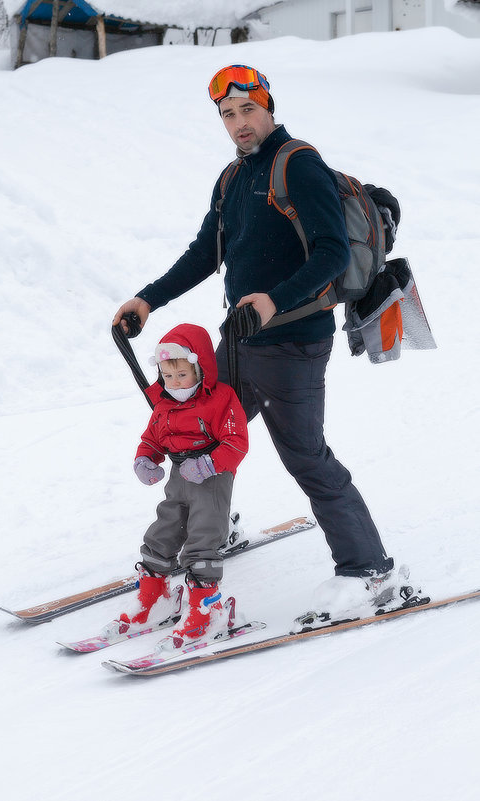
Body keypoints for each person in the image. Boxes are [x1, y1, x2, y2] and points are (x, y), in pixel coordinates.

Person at [114, 64, 399, 611]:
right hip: (240, 342)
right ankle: (208, 530)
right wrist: (148, 299)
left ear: (268, 106)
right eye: (228, 114)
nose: (240, 123)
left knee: (305, 456)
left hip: (295, 343)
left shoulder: (300, 166)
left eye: (248, 110)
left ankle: (368, 568)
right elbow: (205, 253)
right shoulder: (233, 177)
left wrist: (275, 300)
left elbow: (332, 253)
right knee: (196, 435)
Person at [113, 322, 248, 644]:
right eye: (167, 376)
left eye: (182, 375)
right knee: (164, 527)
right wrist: (145, 459)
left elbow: (237, 441)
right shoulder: (163, 403)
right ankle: (155, 595)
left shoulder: (222, 398)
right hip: (178, 477)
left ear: (200, 368)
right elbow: (152, 438)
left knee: (203, 537)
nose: (174, 383)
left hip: (212, 479)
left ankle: (208, 607)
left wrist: (209, 464)